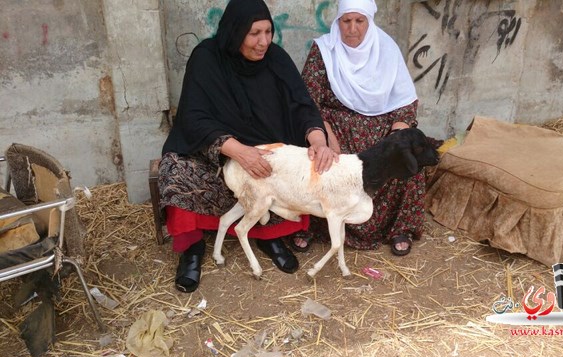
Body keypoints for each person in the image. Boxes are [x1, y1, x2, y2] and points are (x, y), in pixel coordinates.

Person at [159, 0, 337, 293]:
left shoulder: (276, 59)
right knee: (176, 170)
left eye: (268, 31)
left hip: (266, 150)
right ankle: (191, 248)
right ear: (235, 30)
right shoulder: (206, 58)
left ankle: (269, 235)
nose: (264, 41)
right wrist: (238, 151)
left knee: (284, 169)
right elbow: (192, 115)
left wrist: (318, 140)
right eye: (254, 33)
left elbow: (301, 104)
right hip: (217, 151)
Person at [299, 0, 428, 256]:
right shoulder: (324, 50)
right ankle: (316, 228)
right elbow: (308, 101)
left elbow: (405, 102)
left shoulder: (386, 49)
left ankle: (398, 228)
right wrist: (325, 135)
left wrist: (396, 136)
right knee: (319, 161)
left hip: (381, 128)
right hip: (334, 125)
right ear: (338, 22)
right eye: (346, 21)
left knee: (406, 159)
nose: (352, 29)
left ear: (369, 22)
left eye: (360, 21)